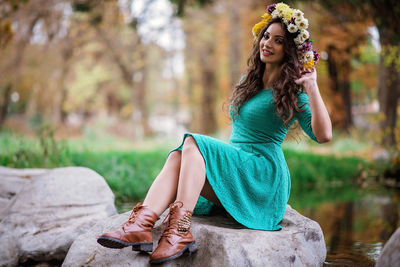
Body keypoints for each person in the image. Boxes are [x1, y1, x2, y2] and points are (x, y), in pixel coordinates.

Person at [97, 2, 332, 264]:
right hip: (239, 167)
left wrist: (312, 87)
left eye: (278, 41)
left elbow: (323, 135)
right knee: (178, 157)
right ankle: (141, 225)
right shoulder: (249, 82)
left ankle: (178, 231)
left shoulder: (294, 90)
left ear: (288, 50)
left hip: (261, 175)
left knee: (193, 143)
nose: (267, 43)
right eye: (266, 36)